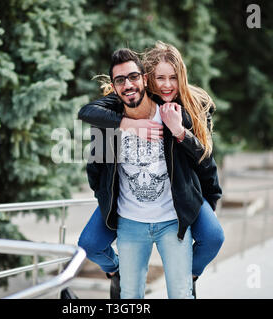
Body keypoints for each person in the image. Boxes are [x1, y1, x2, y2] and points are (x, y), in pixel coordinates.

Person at [78, 42, 224, 298]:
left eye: (173, 78)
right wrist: (128, 125)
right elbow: (87, 115)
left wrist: (209, 198)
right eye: (161, 78)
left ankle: (189, 274)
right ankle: (116, 272)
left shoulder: (190, 109)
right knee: (91, 245)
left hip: (179, 201)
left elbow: (204, 159)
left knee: (212, 236)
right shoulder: (118, 106)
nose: (167, 85)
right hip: (131, 215)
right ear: (151, 80)